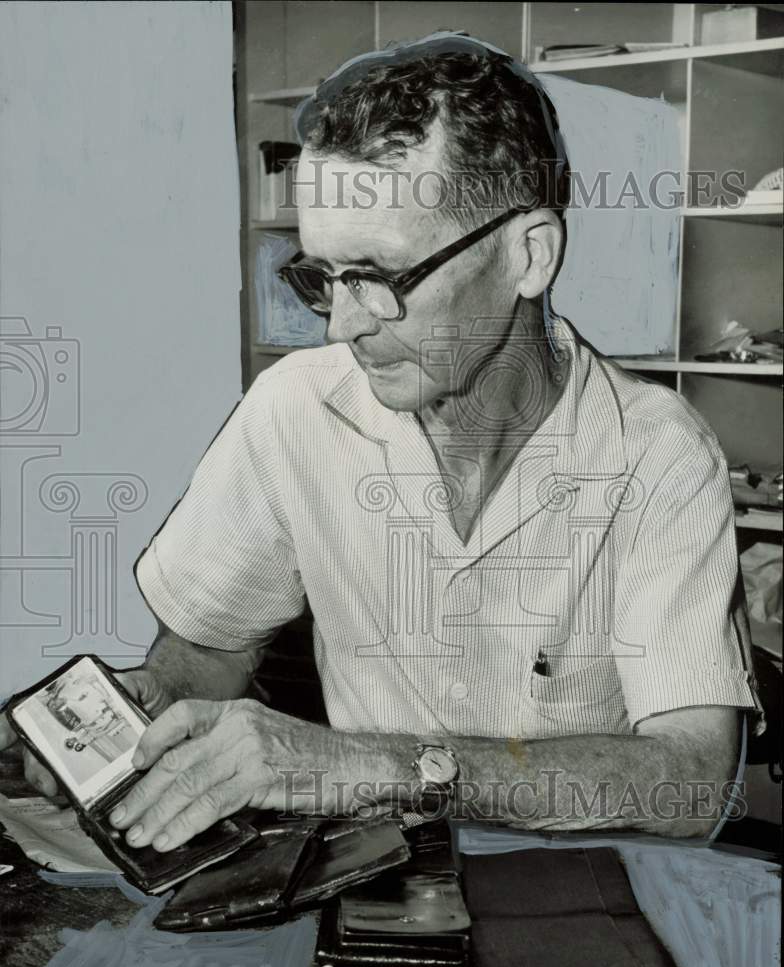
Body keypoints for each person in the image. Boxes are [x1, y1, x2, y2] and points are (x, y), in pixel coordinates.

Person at [1, 33, 762, 853]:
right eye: (322, 276)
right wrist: (136, 719)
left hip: (583, 913)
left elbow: (691, 780)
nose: (344, 323)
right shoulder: (297, 408)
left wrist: (377, 765)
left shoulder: (658, 454)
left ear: (529, 254)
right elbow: (203, 658)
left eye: (382, 276)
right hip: (371, 890)